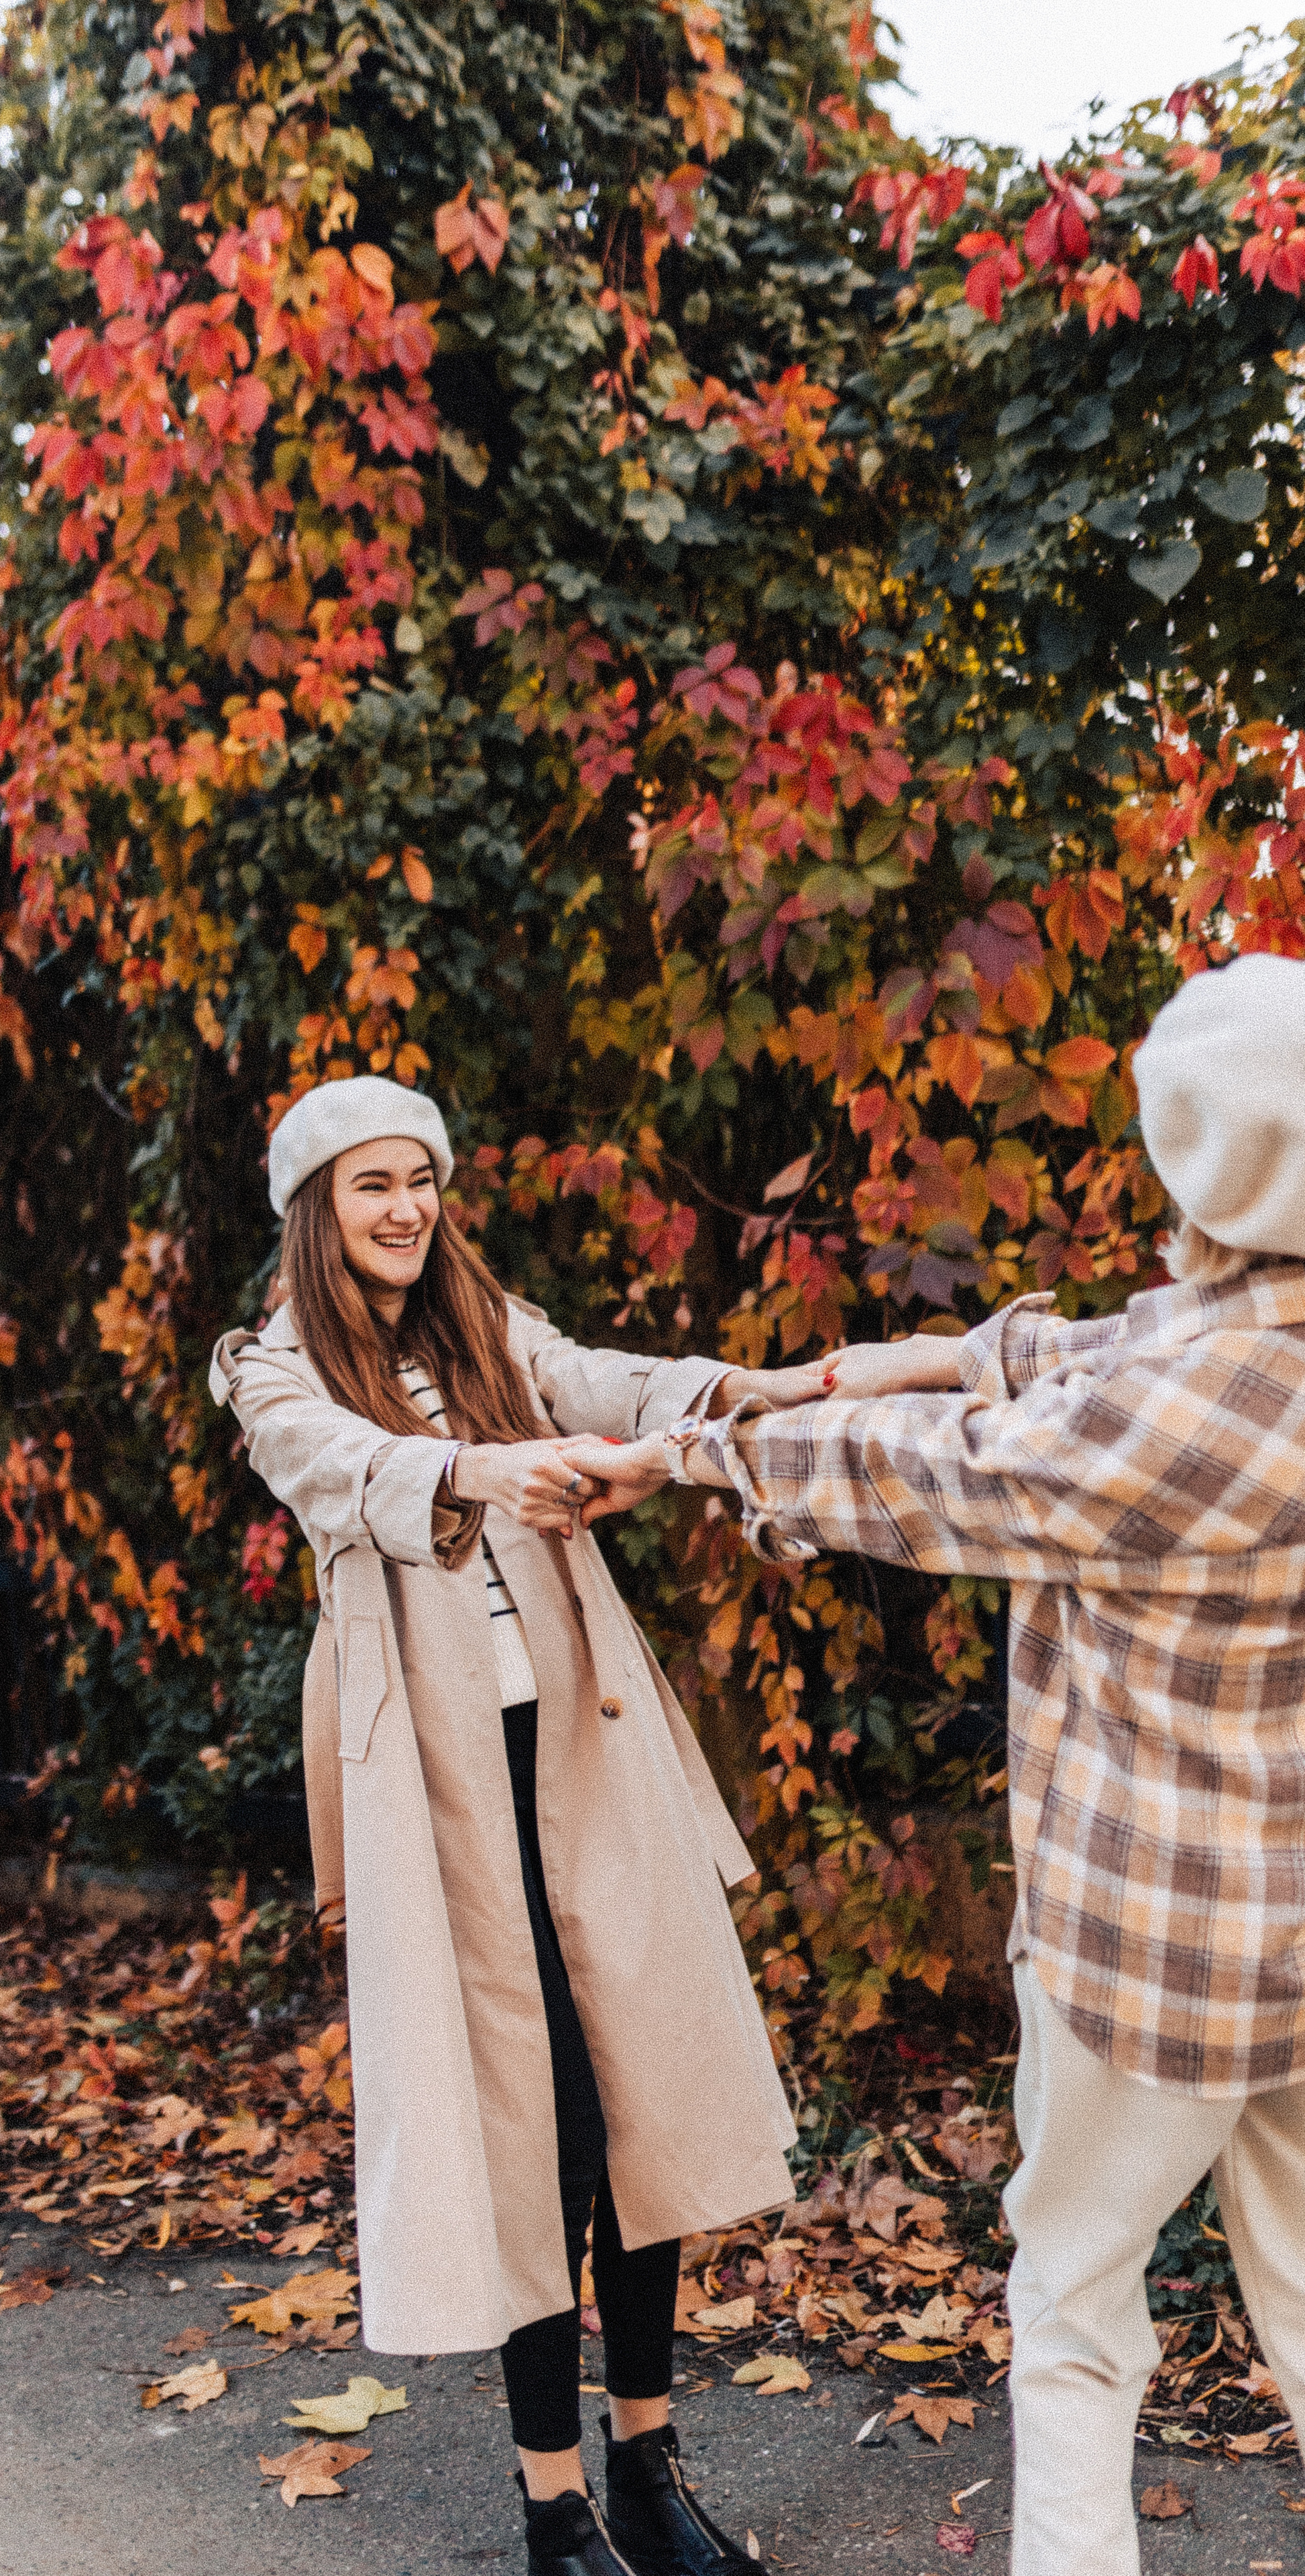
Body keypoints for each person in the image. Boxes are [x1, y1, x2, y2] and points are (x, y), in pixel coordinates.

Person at [549, 953, 1305, 2576]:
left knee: (1075, 2303)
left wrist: (697, 1445)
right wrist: (887, 1359)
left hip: (1160, 1953)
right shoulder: (1223, 1354)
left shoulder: (1184, 1414)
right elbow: (1086, 1354)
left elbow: (935, 1480)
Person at [210, 1075, 824, 2576]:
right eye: (372, 1185)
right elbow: (345, 1477)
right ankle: (551, 2504)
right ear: (316, 1210)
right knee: (532, 2127)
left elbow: (603, 1382)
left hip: (583, 1746)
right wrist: (482, 1470)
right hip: (439, 1788)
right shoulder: (270, 1369)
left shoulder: (489, 1329)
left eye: (421, 1178)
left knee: (638, 2104)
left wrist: (743, 1392)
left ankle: (645, 2469)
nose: (407, 1207)